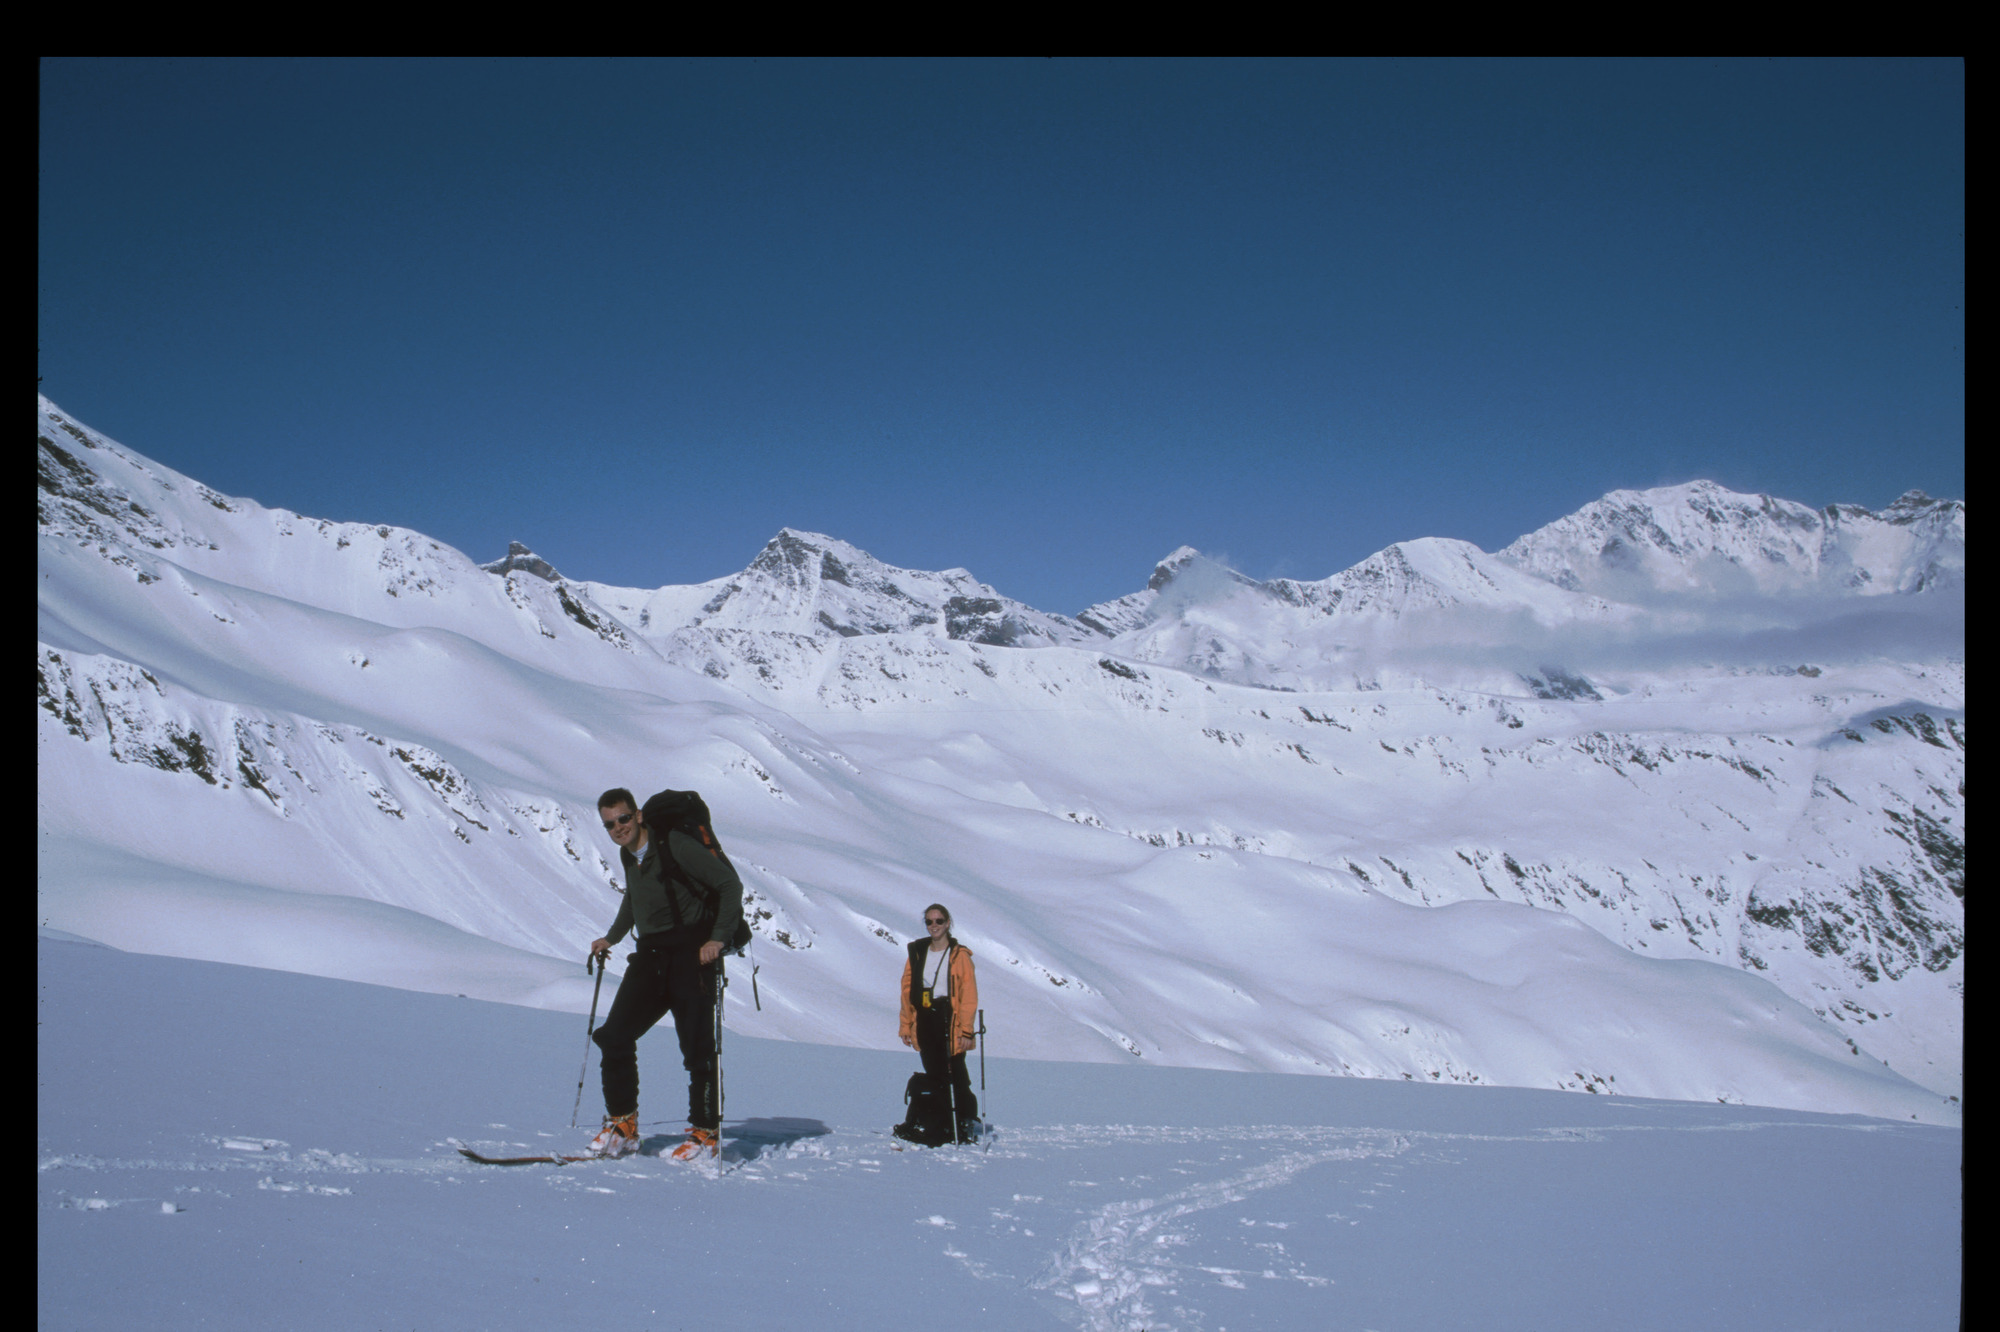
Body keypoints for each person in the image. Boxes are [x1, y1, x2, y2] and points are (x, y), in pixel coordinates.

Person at [585, 787, 743, 1160]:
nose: (618, 828)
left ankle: (706, 1133)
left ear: (638, 815)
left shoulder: (675, 845)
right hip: (651, 956)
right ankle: (623, 1125)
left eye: (623, 818)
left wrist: (717, 939)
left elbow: (729, 885)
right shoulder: (628, 854)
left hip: (692, 956)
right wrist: (612, 937)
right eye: (610, 824)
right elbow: (633, 897)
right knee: (614, 1036)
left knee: (698, 1050)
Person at [899, 903, 979, 1134]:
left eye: (939, 921)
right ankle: (941, 1120)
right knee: (933, 1070)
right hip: (925, 1017)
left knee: (955, 1069)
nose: (934, 926)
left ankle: (965, 1118)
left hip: (949, 1018)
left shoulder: (959, 955)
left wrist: (966, 1031)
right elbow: (907, 991)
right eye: (929, 921)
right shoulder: (917, 952)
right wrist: (906, 1025)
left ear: (948, 923)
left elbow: (968, 995)